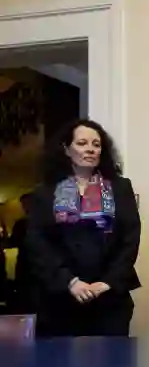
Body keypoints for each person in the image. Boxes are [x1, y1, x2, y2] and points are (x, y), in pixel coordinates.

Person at [24, 119, 141, 337]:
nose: (90, 149)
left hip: (108, 299)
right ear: (67, 149)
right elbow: (38, 243)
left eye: (96, 144)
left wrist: (107, 283)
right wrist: (71, 282)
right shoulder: (45, 192)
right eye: (82, 143)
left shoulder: (120, 187)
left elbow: (130, 238)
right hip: (59, 299)